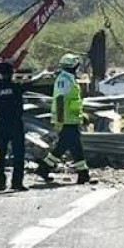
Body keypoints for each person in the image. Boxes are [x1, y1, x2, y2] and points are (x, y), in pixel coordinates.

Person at [0, 61, 42, 192]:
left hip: (1, 124)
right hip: (16, 124)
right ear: (12, 73)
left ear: (0, 73)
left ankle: (1, 183)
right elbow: (30, 84)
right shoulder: (16, 87)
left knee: (0, 155)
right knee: (18, 154)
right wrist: (41, 75)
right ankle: (17, 183)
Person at [37, 53, 90, 184]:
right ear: (72, 66)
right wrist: (59, 122)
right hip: (66, 120)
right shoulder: (64, 80)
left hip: (71, 119)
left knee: (66, 146)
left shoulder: (69, 78)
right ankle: (83, 174)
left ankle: (44, 168)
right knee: (72, 146)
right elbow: (60, 100)